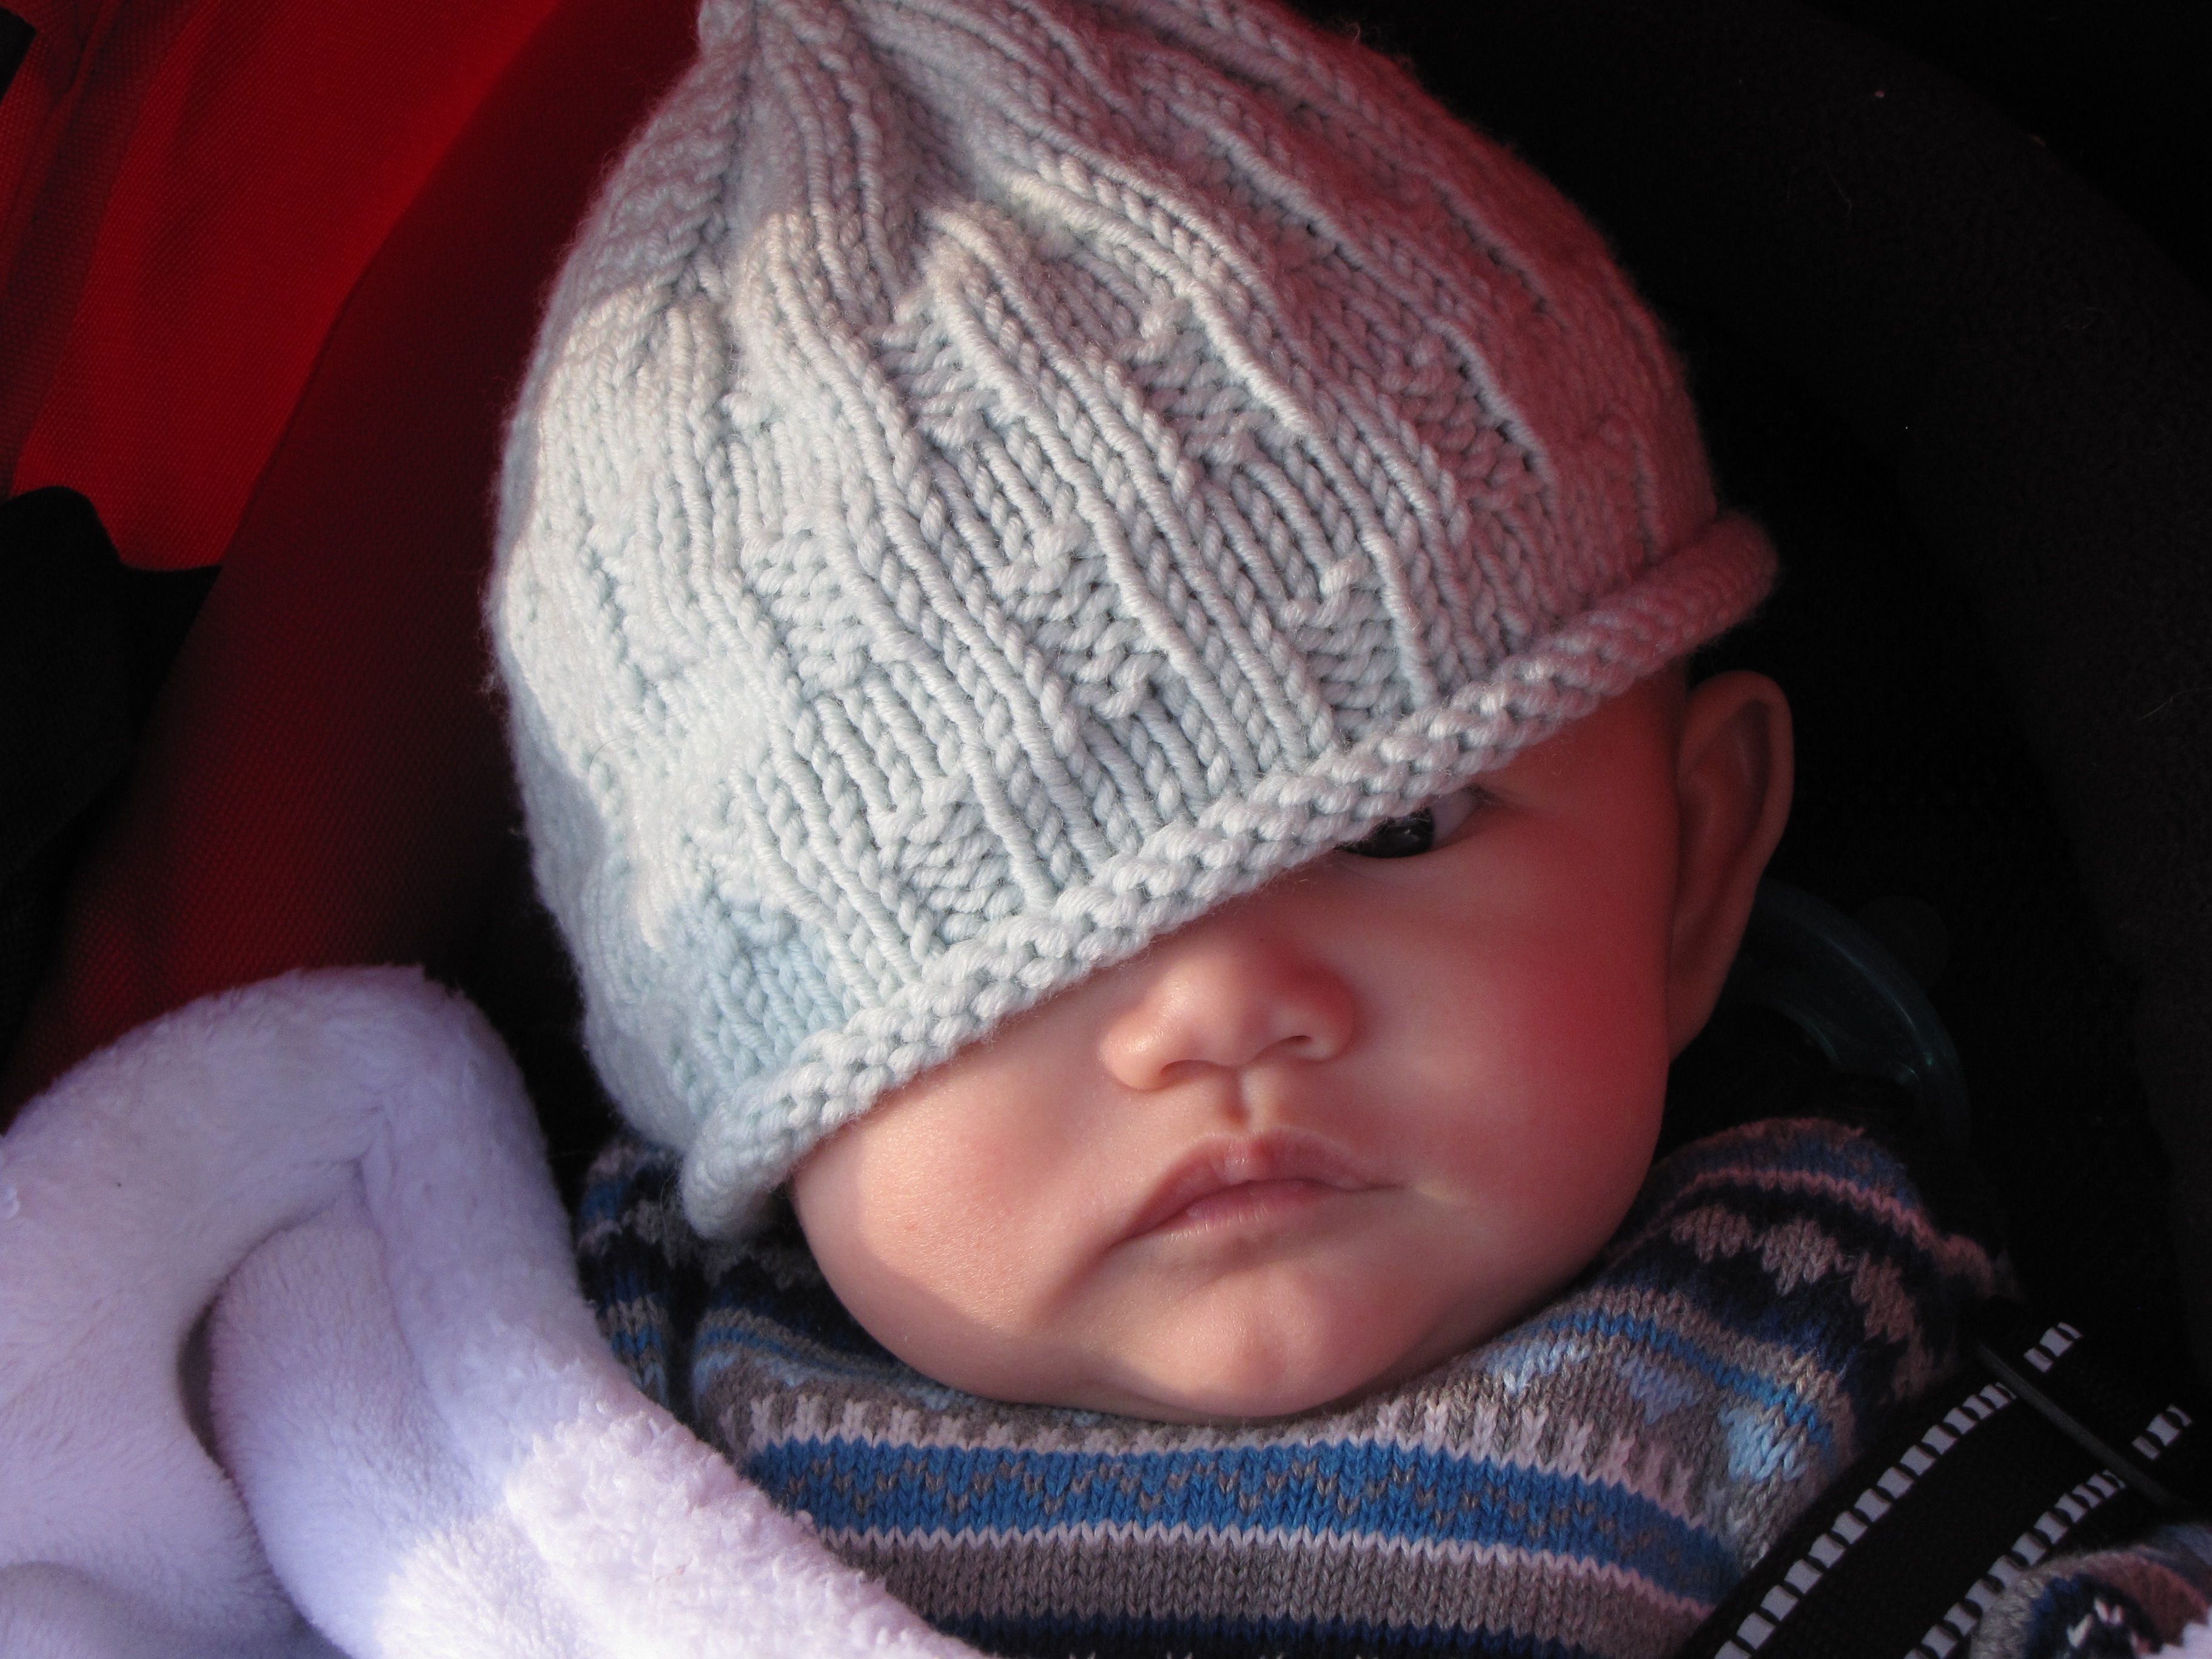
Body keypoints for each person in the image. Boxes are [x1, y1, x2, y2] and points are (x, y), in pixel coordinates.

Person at [489, 0, 2211, 1654]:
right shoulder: (566, 1413)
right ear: (747, 1100)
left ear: (1692, 873)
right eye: (995, 960)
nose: (1221, 1011)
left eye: (1400, 831)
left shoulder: (1809, 1315)